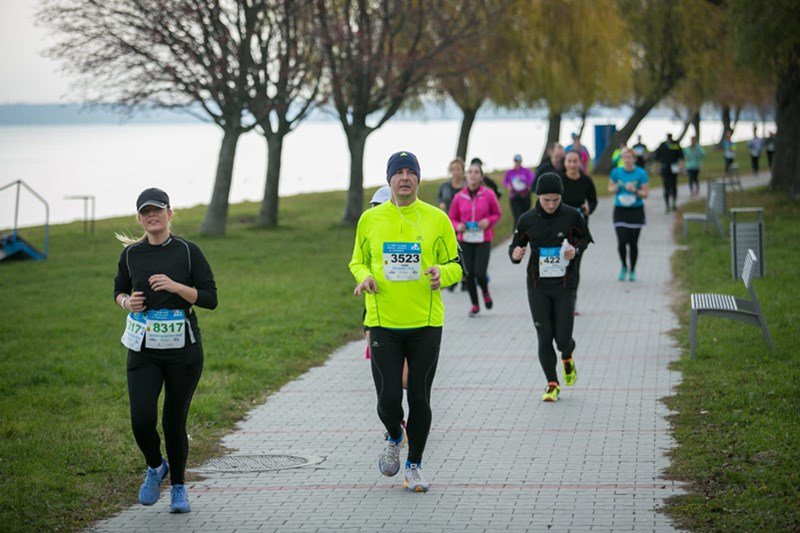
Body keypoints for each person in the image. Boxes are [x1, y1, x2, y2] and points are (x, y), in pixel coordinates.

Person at [349, 151, 462, 493]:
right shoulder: (370, 220)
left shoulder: (436, 218)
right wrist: (365, 276)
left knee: (420, 398)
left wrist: (442, 273)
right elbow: (357, 261)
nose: (405, 178)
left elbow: (457, 265)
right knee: (387, 400)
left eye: (411, 172)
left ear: (418, 179)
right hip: (383, 321)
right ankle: (395, 435)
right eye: (398, 172)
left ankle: (414, 465)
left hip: (426, 323)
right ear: (389, 180)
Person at [114, 188, 218, 514]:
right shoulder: (132, 254)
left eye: (157, 210)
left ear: (169, 214)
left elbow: (210, 298)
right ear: (139, 218)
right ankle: (156, 465)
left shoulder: (188, 252)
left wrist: (175, 287)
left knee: (173, 422)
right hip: (143, 348)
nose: (151, 216)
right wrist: (127, 303)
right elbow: (118, 289)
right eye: (145, 212)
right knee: (142, 419)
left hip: (183, 350)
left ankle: (178, 487)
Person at [509, 173, 592, 402]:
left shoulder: (571, 215)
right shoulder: (527, 219)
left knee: (562, 338)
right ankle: (552, 383)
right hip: (537, 286)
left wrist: (575, 250)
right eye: (547, 200)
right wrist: (515, 255)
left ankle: (567, 355)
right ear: (538, 197)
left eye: (556, 200)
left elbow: (585, 239)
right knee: (544, 336)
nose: (551, 205)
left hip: (565, 285)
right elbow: (516, 246)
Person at [450, 162, 502, 317]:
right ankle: (475, 305)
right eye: (470, 172)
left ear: (481, 176)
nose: (473, 175)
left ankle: (485, 292)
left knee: (480, 273)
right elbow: (451, 218)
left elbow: (497, 214)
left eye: (476, 172)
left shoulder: (488, 194)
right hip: (465, 240)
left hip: (483, 239)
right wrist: (458, 225)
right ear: (466, 176)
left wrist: (488, 221)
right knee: (469, 274)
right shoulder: (459, 197)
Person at [559, 150, 598, 316]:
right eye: (569, 161)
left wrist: (589, 209)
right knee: (561, 266)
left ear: (580, 163)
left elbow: (593, 200)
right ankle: (559, 300)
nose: (572, 164)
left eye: (575, 161)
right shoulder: (558, 179)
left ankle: (572, 302)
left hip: (579, 229)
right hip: (560, 228)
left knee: (574, 267)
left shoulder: (586, 180)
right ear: (565, 162)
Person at [609, 148, 650, 282]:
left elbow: (646, 193)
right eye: (625, 157)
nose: (627, 160)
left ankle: (632, 270)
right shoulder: (616, 172)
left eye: (629, 157)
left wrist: (635, 190)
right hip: (620, 211)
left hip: (636, 211)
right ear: (622, 159)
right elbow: (610, 187)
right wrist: (614, 189)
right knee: (622, 241)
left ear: (634, 159)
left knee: (633, 243)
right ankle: (623, 266)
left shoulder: (641, 173)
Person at [653, 133, 684, 212]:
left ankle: (673, 203)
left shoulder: (676, 144)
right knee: (666, 186)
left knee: (674, 186)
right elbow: (656, 157)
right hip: (665, 168)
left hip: (674, 168)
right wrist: (656, 168)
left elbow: (681, 157)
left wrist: (681, 167)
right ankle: (667, 205)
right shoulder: (662, 145)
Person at [503, 153, 534, 227]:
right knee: (517, 216)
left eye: (519, 161)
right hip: (514, 196)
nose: (517, 163)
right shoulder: (510, 172)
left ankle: (526, 232)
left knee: (525, 215)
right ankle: (517, 233)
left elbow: (532, 180)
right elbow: (505, 181)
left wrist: (524, 181)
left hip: (525, 195)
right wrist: (509, 186)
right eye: (516, 161)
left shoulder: (526, 171)